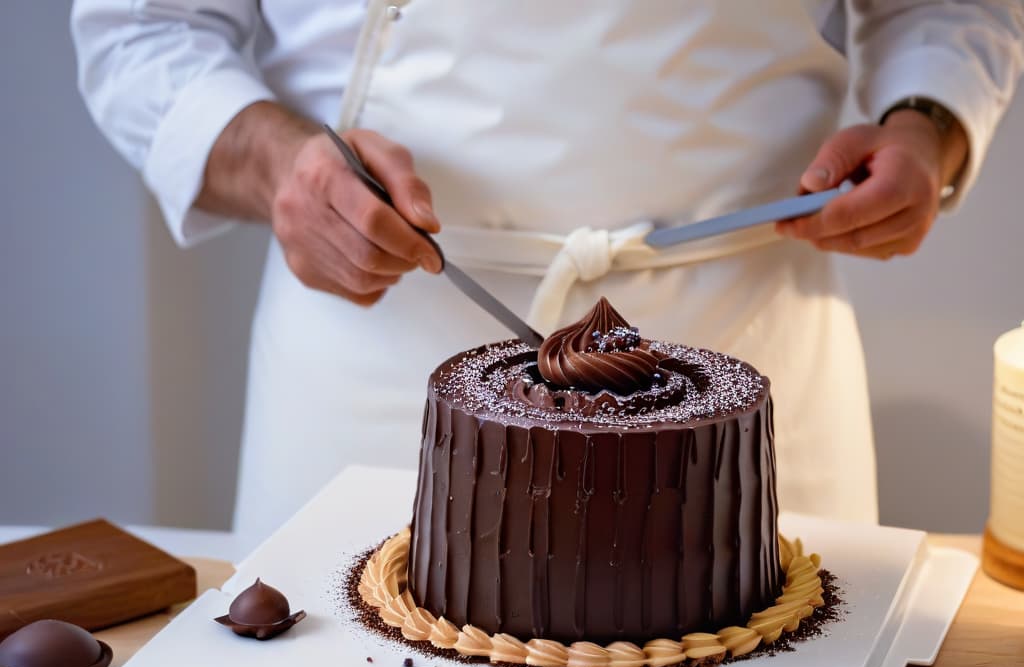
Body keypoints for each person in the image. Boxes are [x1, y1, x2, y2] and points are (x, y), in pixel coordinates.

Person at [72, 1, 1023, 548]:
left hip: (751, 344)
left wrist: (925, 121)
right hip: (378, 359)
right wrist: (277, 160)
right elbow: (140, 27)